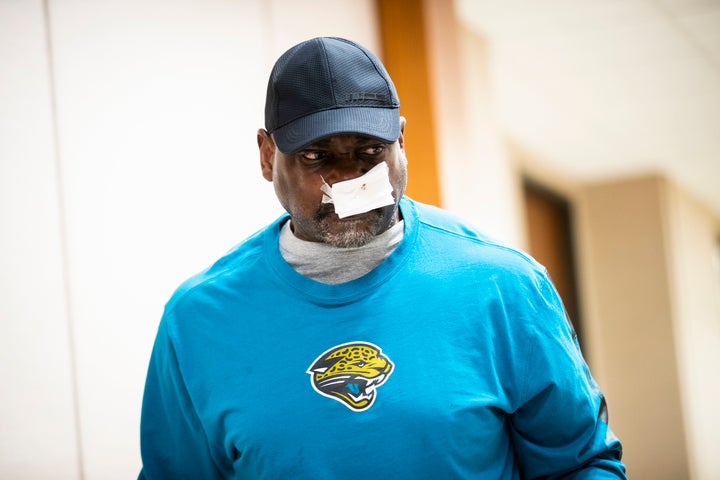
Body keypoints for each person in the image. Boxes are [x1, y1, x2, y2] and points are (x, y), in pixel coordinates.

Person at [138, 36, 626, 479]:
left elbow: (580, 465)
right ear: (267, 156)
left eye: (370, 151)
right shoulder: (198, 320)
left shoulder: (503, 286)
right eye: (316, 156)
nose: (349, 182)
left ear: (402, 144)